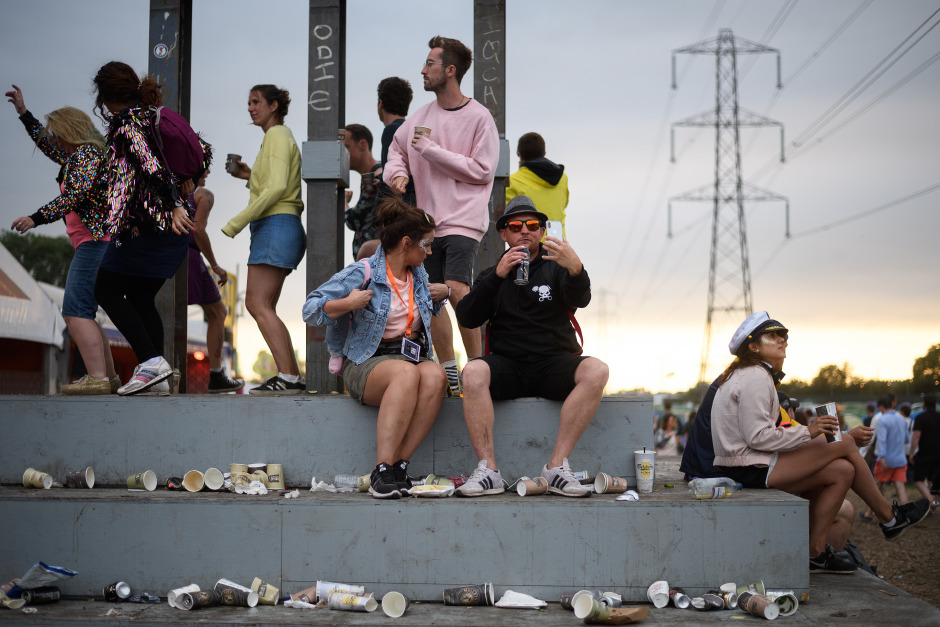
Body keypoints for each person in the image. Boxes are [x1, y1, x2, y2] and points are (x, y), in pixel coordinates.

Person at [710, 311, 930, 573]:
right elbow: (757, 437)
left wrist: (810, 433)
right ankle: (890, 517)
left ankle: (815, 552)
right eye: (772, 336)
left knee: (843, 470)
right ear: (753, 347)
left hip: (745, 464)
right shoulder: (755, 375)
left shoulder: (746, 374)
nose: (782, 340)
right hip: (749, 466)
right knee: (844, 443)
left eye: (783, 335)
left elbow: (758, 434)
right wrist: (810, 431)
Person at [452, 195, 609, 497]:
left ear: (541, 231)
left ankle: (556, 468)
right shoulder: (492, 274)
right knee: (471, 371)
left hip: (553, 363)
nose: (524, 230)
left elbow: (581, 300)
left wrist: (577, 269)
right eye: (515, 226)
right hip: (508, 365)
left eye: (532, 225)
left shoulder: (557, 266)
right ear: (504, 234)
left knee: (597, 370)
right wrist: (497, 277)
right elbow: (467, 317)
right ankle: (488, 471)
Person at [303, 198, 449, 499]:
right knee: (406, 375)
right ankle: (381, 468)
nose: (430, 251)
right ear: (407, 243)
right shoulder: (364, 272)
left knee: (435, 376)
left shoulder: (418, 274)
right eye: (427, 244)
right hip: (368, 361)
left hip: (409, 356)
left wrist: (445, 293)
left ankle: (399, 466)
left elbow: (429, 312)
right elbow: (310, 309)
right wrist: (348, 303)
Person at [384, 35, 500, 394]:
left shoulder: (480, 117)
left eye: (430, 64)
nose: (423, 70)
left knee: (457, 289)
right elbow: (396, 152)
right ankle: (450, 373)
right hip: (427, 224)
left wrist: (431, 151)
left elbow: (482, 170)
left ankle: (478, 370)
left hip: (464, 220)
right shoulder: (419, 117)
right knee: (429, 296)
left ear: (450, 70)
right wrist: (397, 174)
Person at [91, 61, 207, 396]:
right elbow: (203, 153)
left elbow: (151, 166)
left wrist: (170, 203)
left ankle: (151, 363)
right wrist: (184, 192)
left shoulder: (127, 122)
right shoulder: (153, 114)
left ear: (104, 96)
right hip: (172, 227)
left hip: (150, 224)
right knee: (141, 297)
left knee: (105, 289)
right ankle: (158, 378)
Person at [6, 85, 118, 395]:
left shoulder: (86, 155)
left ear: (70, 132)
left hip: (96, 243)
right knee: (86, 311)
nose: (54, 140)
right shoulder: (82, 154)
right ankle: (107, 377)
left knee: (75, 309)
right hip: (98, 242)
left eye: (57, 134)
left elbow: (74, 195)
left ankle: (97, 377)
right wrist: (24, 114)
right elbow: (47, 147)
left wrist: (35, 218)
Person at [224, 84, 305, 395]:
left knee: (256, 303)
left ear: (274, 105)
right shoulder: (278, 137)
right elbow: (274, 182)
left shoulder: (276, 136)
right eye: (248, 102)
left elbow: (274, 190)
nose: (250, 107)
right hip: (279, 226)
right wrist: (249, 175)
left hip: (276, 225)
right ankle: (291, 377)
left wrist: (235, 223)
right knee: (264, 305)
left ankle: (289, 377)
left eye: (256, 102)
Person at [187, 170, 243, 393]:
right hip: (188, 255)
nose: (209, 172)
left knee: (165, 313)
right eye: (206, 167)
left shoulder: (166, 190)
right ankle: (217, 374)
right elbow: (198, 230)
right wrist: (216, 266)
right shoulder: (204, 195)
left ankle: (155, 367)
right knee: (218, 312)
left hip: (163, 254)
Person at [505, 132, 569, 236]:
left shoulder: (512, 182)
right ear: (544, 153)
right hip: (558, 245)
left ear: (520, 155)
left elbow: (507, 215)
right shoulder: (563, 178)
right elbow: (564, 204)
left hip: (530, 246)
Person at [342, 124, 382, 260]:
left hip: (377, 266)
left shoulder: (376, 177)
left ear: (362, 144)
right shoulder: (373, 175)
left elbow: (355, 220)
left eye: (346, 147)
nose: (342, 154)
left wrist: (344, 203)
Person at [375, 77, 416, 207]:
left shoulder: (391, 131)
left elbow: (390, 174)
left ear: (380, 103)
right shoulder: (410, 129)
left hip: (401, 209)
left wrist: (377, 215)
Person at [874, 394, 910, 506]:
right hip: (900, 459)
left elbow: (882, 441)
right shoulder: (902, 418)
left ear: (882, 406)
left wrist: (883, 457)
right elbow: (907, 439)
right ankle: (906, 515)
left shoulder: (883, 420)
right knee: (900, 488)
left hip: (886, 460)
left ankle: (870, 514)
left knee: (876, 488)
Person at [909, 395, 939, 510]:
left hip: (925, 453)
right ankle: (933, 504)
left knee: (918, 479)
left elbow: (916, 435)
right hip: (938, 454)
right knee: (932, 480)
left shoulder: (920, 417)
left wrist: (912, 453)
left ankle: (931, 502)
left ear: (923, 404)